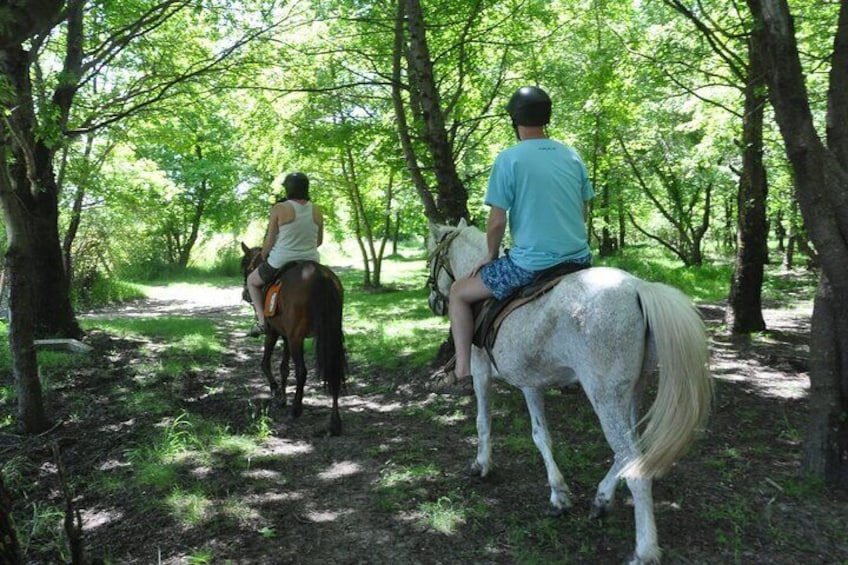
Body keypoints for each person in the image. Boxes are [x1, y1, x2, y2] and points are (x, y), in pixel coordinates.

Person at [440, 85, 594, 394]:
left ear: (515, 120)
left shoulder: (509, 159)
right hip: (579, 260)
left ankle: (462, 371)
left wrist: (490, 254)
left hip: (531, 265)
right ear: (546, 118)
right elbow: (584, 211)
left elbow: (497, 222)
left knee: (457, 291)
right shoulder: (571, 155)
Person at [246, 172, 324, 337]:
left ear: (288, 189)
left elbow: (269, 240)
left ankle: (262, 323)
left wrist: (265, 254)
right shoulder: (316, 210)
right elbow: (319, 241)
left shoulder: (280, 208)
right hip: (311, 260)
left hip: (281, 260)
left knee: (252, 281)